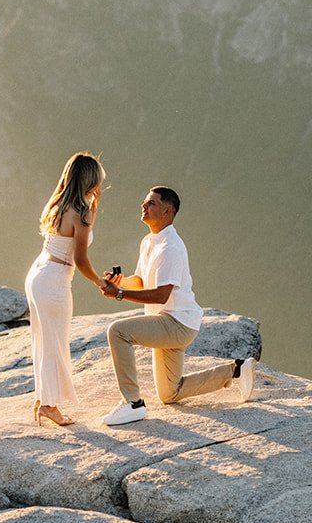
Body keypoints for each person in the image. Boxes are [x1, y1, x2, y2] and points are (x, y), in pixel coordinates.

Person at [99, 185, 255, 425]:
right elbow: (141, 280)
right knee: (170, 393)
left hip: (176, 322)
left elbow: (162, 295)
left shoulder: (171, 246)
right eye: (145, 202)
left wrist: (119, 294)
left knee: (118, 331)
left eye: (151, 203)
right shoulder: (149, 242)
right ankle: (236, 370)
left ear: (167, 212)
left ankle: (133, 403)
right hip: (168, 322)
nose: (144, 206)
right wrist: (119, 282)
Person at [25, 152, 107, 427]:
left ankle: (42, 398)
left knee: (42, 340)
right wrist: (99, 281)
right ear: (91, 180)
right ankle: (49, 405)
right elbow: (80, 260)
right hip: (56, 280)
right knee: (55, 343)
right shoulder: (81, 214)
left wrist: (93, 207)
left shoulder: (58, 204)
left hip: (39, 272)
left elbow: (71, 236)